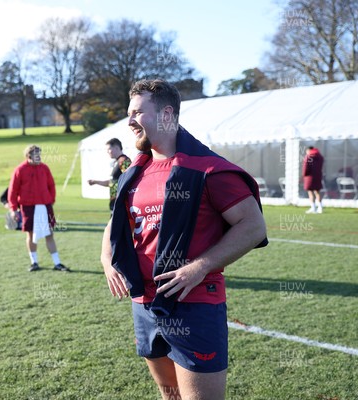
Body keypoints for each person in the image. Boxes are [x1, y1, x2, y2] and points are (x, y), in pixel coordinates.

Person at [100, 79, 267, 400]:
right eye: (128, 113)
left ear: (166, 114)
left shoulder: (208, 168)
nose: (130, 121)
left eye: (137, 112)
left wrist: (199, 267)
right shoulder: (136, 170)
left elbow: (253, 226)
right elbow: (115, 223)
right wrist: (107, 261)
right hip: (144, 305)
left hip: (194, 305)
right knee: (170, 397)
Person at [8, 144, 69, 272]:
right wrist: (13, 209)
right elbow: (13, 191)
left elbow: (51, 185)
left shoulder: (44, 168)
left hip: (45, 205)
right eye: (37, 155)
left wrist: (51, 200)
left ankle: (57, 263)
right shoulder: (20, 170)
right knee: (30, 234)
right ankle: (34, 262)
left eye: (40, 154)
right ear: (29, 156)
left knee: (49, 234)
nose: (39, 157)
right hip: (28, 206)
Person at [87, 138, 132, 210]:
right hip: (114, 202)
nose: (107, 152)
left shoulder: (124, 161)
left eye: (109, 149)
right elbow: (112, 183)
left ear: (117, 148)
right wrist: (95, 182)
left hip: (121, 202)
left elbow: (130, 179)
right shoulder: (116, 162)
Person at [302, 146, 324, 213]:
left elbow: (305, 167)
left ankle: (313, 207)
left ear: (309, 150)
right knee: (317, 192)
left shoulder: (308, 157)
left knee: (310, 192)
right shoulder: (320, 157)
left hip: (309, 177)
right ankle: (320, 207)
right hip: (318, 176)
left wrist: (304, 174)